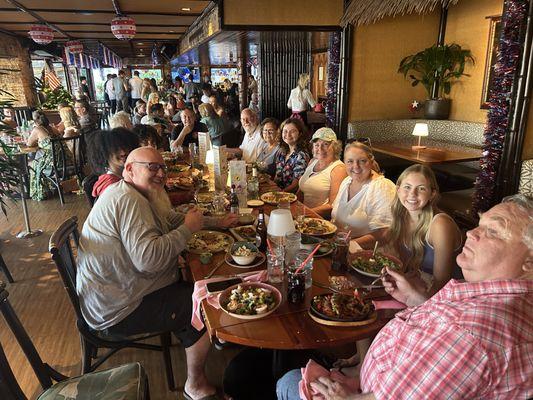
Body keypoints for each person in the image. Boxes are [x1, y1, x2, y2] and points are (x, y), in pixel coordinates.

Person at [277, 194, 533, 400]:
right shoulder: (499, 297)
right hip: (374, 381)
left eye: (494, 232)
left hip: (366, 392)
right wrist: (415, 299)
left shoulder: (472, 334)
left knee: (287, 382)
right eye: (480, 224)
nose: (471, 233)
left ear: (529, 262)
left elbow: (461, 339)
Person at [77, 147, 238, 400]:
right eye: (152, 167)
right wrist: (187, 230)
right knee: (204, 302)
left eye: (162, 167)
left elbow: (169, 220)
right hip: (117, 309)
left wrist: (213, 223)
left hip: (112, 294)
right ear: (129, 169)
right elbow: (148, 260)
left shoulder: (132, 193)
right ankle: (195, 385)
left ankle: (204, 336)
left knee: (194, 285)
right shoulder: (128, 200)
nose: (161, 173)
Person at [388, 164, 462, 294]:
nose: (412, 194)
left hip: (448, 296)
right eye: (407, 187)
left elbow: (442, 283)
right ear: (398, 189)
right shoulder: (401, 216)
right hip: (420, 288)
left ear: (432, 194)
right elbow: (407, 268)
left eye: (421, 189)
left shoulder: (440, 224)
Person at [330, 141, 395, 249]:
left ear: (371, 161)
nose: (356, 166)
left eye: (362, 161)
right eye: (350, 161)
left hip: (367, 256)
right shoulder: (347, 181)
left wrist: (348, 244)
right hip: (339, 247)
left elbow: (386, 234)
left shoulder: (382, 187)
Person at [298, 128, 347, 218]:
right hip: (303, 215)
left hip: (321, 220)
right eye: (316, 145)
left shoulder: (339, 169)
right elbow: (302, 190)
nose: (320, 149)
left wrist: (305, 213)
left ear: (335, 147)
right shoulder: (313, 161)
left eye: (325, 144)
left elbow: (332, 205)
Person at [87, 128, 139, 198]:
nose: (123, 152)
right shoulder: (111, 184)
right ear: (105, 153)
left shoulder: (124, 176)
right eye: (116, 149)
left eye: (125, 147)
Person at [27, 110, 62, 200]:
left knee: (32, 164)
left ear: (34, 121)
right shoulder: (51, 128)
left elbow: (29, 144)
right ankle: (50, 188)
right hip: (63, 160)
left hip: (52, 163)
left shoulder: (37, 129)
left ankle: (41, 192)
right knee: (37, 159)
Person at [274, 118, 309, 192]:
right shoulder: (281, 152)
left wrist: (279, 194)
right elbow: (277, 177)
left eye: (292, 131)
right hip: (277, 192)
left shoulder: (301, 155)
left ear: (300, 133)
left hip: (290, 197)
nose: (288, 134)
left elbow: (296, 185)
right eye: (285, 131)